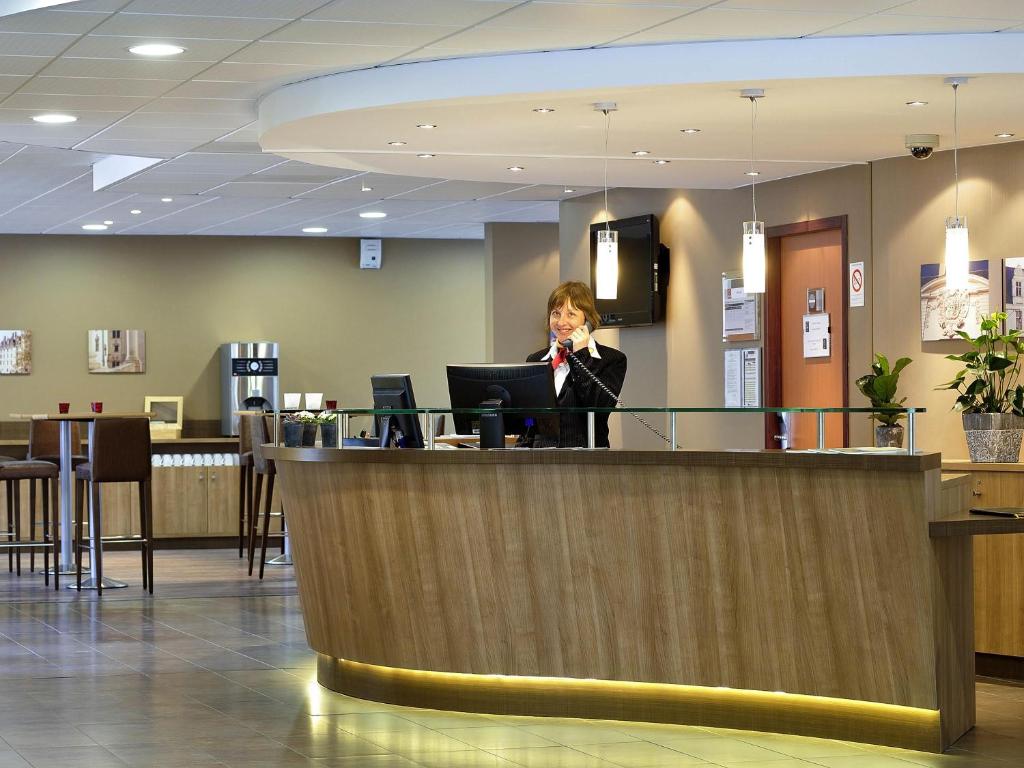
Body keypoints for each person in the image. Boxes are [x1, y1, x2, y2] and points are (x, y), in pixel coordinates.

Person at [526, 281, 627, 448]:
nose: (561, 322)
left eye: (571, 314)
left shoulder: (611, 359)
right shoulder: (536, 359)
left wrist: (581, 355)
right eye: (556, 313)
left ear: (587, 320)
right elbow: (529, 418)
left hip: (585, 460)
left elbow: (598, 406)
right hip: (540, 460)